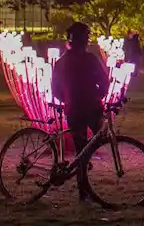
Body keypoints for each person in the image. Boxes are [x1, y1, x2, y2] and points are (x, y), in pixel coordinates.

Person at [52, 22, 110, 204]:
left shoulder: (61, 62)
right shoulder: (90, 59)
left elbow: (55, 89)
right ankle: (84, 182)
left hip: (74, 110)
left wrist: (67, 100)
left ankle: (82, 190)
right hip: (92, 107)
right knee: (99, 138)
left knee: (81, 150)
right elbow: (104, 81)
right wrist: (98, 94)